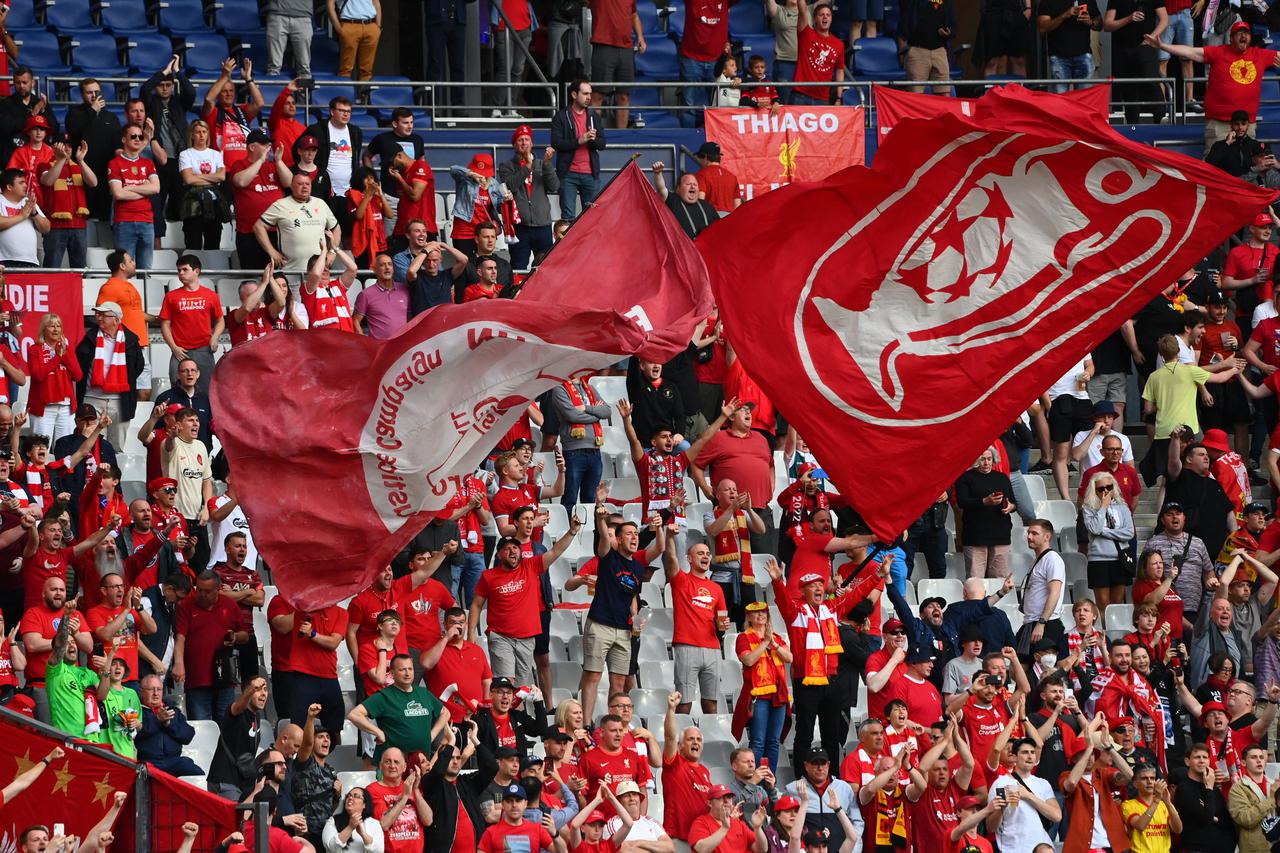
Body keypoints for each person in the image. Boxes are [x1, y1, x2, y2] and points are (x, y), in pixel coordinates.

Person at [1152, 20, 1277, 149]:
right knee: (1215, 159)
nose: (1243, 36)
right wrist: (1162, 46)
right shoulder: (1219, 52)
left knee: (1245, 160)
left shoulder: (1259, 55)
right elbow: (1190, 51)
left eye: (1246, 33)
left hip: (1247, 125)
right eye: (1239, 33)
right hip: (1220, 124)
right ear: (1231, 38)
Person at [347, 653, 450, 764]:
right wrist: (378, 733)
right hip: (392, 765)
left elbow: (445, 713)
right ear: (392, 674)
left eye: (410, 669)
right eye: (402, 670)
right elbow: (354, 715)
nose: (407, 673)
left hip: (421, 762)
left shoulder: (424, 693)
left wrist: (431, 735)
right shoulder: (384, 696)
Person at [173, 569, 247, 721]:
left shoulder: (229, 605)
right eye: (199, 590)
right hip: (197, 679)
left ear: (218, 589)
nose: (202, 594)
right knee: (201, 725)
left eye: (207, 591)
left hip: (225, 678)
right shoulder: (186, 606)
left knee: (226, 725)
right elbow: (180, 638)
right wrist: (179, 664)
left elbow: (245, 635)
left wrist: (235, 637)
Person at [73, 302, 144, 452]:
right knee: (90, 446)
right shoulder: (90, 338)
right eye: (98, 314)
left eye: (104, 315)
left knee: (116, 447)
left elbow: (138, 366)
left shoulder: (131, 340)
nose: (99, 318)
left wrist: (120, 381)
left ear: (116, 319)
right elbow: (79, 364)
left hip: (120, 401)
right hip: (92, 399)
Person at [159, 255, 224, 393]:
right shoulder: (171, 296)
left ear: (196, 271)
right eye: (179, 270)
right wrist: (174, 347)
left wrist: (215, 337)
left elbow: (220, 320)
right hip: (180, 351)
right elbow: (164, 324)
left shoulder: (211, 295)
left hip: (204, 349)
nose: (181, 273)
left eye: (185, 269)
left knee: (206, 391)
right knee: (178, 391)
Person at [498, 126, 559, 271]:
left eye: (527, 139)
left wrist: (547, 165)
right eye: (520, 140)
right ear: (514, 145)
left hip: (542, 225)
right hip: (520, 227)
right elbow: (511, 185)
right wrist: (528, 166)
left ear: (531, 143)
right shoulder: (506, 166)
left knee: (545, 267)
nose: (524, 142)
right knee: (518, 266)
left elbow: (554, 186)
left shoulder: (542, 163)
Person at [985, 738, 1061, 850]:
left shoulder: (1043, 784)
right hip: (1013, 849)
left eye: (1032, 752)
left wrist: (1028, 795)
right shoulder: (1000, 784)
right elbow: (990, 827)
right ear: (1015, 757)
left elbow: (1056, 816)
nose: (1030, 756)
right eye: (1025, 752)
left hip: (1041, 847)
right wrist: (1002, 808)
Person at [66, 77, 123, 223]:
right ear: (82, 94)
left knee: (105, 215)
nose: (93, 95)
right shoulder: (74, 113)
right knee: (84, 213)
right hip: (83, 172)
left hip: (106, 171)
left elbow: (117, 143)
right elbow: (74, 129)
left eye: (96, 92)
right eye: (89, 92)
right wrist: (92, 110)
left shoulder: (111, 117)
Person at [257, 173, 340, 270]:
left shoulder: (321, 203)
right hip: (291, 271)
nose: (304, 187)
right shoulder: (280, 205)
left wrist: (332, 251)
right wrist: (272, 251)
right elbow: (258, 226)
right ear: (292, 186)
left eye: (307, 184)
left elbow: (336, 228)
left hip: (319, 270)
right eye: (300, 184)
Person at [1103, 0, 1168, 124]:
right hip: (1123, 48)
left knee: (1151, 78)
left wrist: (1151, 38)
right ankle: (1133, 124)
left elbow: (1164, 20)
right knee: (1129, 87)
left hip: (1146, 46)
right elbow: (1107, 25)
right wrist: (1129, 18)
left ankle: (1160, 116)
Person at [955, 447, 1016, 578]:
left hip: (1000, 534)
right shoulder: (966, 478)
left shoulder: (1002, 478)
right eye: (982, 459)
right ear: (976, 460)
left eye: (989, 459)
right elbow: (962, 502)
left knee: (999, 579)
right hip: (975, 536)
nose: (986, 463)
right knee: (975, 580)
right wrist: (984, 501)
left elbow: (1013, 502)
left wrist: (1010, 507)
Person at [550, 80, 606, 221]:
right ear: (574, 94)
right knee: (568, 218)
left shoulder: (594, 116)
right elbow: (556, 143)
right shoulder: (561, 116)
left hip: (590, 174)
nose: (589, 97)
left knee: (592, 218)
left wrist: (592, 140)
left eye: (590, 94)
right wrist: (578, 141)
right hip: (568, 174)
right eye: (585, 93)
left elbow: (602, 144)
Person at [107, 122, 160, 269]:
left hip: (147, 221)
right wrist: (144, 189)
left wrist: (130, 188)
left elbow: (156, 188)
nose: (137, 139)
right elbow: (118, 193)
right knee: (124, 269)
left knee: (145, 271)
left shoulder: (148, 163)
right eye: (133, 136)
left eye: (141, 137)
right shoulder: (114, 163)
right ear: (124, 139)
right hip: (124, 221)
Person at [1081, 470, 1136, 609]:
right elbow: (1094, 528)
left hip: (1120, 559)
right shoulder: (1088, 508)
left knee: (1117, 603)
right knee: (1102, 603)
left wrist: (1104, 532)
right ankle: (1103, 625)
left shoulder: (1122, 506)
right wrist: (1103, 506)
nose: (1105, 491)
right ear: (1094, 490)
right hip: (1098, 560)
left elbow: (1129, 533)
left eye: (1109, 487)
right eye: (1101, 489)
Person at [366, 748, 431, 853]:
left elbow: (428, 820)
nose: (392, 766)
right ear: (381, 766)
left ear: (404, 767)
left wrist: (415, 789)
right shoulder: (372, 790)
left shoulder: (412, 787)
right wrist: (405, 797)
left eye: (396, 762)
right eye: (387, 762)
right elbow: (384, 824)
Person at [136, 673, 202, 776]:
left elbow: (188, 736)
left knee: (196, 772)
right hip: (148, 763)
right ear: (141, 691)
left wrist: (169, 724)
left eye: (159, 689)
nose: (156, 693)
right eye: (151, 689)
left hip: (174, 762)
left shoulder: (173, 710)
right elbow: (136, 735)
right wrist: (157, 721)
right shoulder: (136, 711)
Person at [176, 120, 226, 251]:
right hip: (193, 202)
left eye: (204, 132)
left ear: (208, 134)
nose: (201, 135)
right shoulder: (185, 154)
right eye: (198, 132)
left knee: (213, 245)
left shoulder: (216, 154)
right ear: (192, 135)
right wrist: (212, 179)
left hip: (214, 202)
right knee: (193, 245)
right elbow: (188, 179)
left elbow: (222, 177)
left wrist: (197, 176)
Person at [479, 781, 565, 853]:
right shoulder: (491, 832)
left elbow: (563, 851)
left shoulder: (537, 829)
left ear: (525, 804)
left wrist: (555, 834)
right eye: (509, 801)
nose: (514, 805)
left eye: (518, 801)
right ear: (503, 805)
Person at [203, 58, 263, 159]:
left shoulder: (241, 111)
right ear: (218, 94)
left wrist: (248, 79)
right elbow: (209, 99)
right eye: (224, 91)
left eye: (231, 91)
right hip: (221, 165)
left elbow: (259, 103)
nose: (229, 94)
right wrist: (224, 76)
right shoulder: (213, 112)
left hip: (244, 165)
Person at [687, 785, 769, 853]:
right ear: (710, 803)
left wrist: (757, 828)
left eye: (729, 797)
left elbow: (761, 850)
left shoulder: (739, 824)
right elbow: (701, 849)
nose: (726, 801)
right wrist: (724, 828)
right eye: (720, 797)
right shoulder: (701, 822)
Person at [792, 0, 844, 106]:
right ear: (814, 19)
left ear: (831, 19)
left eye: (828, 15)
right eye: (821, 15)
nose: (825, 17)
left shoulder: (839, 44)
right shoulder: (806, 33)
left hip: (822, 98)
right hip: (800, 95)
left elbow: (840, 71)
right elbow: (802, 11)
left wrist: (839, 97)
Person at [1122, 763, 1182, 851]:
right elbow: (1141, 826)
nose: (1149, 782)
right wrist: (1156, 800)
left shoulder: (1164, 804)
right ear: (1135, 784)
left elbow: (1178, 829)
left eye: (1152, 778)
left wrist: (1168, 803)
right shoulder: (1128, 805)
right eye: (1144, 778)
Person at [1229, 742, 1275, 852]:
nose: (1259, 760)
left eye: (1261, 757)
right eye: (1254, 757)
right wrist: (1271, 800)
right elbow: (1246, 819)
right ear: (1243, 763)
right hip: (1254, 848)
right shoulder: (1237, 788)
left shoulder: (1274, 784)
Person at [0, 167, 46, 267]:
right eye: (21, 183)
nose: (25, 185)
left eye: (25, 182)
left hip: (30, 261)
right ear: (9, 187)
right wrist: (22, 216)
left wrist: (34, 213)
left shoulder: (28, 202)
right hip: (4, 261)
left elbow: (46, 228)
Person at [327, 0, 382, 83]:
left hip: (370, 25)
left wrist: (378, 27)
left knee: (367, 71)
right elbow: (330, 4)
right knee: (346, 69)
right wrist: (338, 28)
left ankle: (364, 91)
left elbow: (376, 3)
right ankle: (344, 91)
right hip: (349, 24)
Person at [322, 788, 385, 852]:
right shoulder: (333, 821)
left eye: (356, 796)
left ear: (364, 804)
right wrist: (350, 827)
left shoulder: (374, 824)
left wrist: (363, 834)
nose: (350, 798)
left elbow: (379, 851)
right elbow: (330, 848)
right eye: (348, 795)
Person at [267, 0, 314, 78]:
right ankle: (271, 86)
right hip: (277, 13)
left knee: (304, 69)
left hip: (303, 15)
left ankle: (305, 86)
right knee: (273, 68)